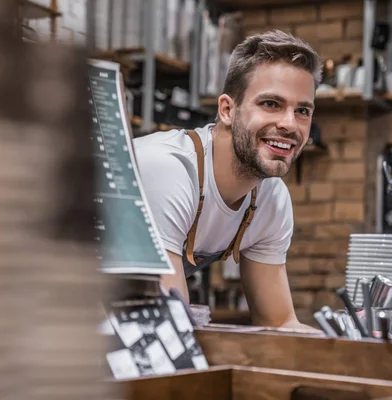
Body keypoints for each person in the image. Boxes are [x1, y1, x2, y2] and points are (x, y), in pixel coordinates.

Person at [133, 30, 322, 331]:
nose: (289, 124)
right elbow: (171, 331)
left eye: (302, 110)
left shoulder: (270, 197)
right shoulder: (168, 170)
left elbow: (280, 325)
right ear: (227, 110)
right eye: (271, 104)